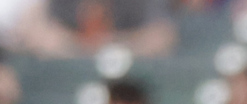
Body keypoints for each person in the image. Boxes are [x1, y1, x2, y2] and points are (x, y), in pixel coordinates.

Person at [15, 0, 173, 58]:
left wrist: (111, 44)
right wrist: (80, 46)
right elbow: (35, 32)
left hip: (129, 80)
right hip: (69, 72)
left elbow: (161, 37)